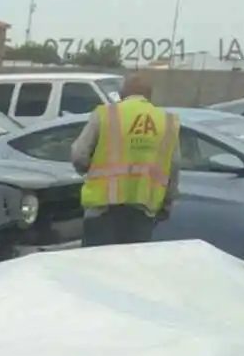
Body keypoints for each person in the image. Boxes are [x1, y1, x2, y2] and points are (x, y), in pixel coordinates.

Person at [70, 70, 179, 246]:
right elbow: (173, 167)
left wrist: (88, 172)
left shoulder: (105, 114)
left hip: (102, 209)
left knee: (96, 268)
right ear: (149, 96)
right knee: (129, 269)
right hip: (143, 212)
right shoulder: (166, 121)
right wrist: (167, 204)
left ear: (122, 94)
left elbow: (79, 154)